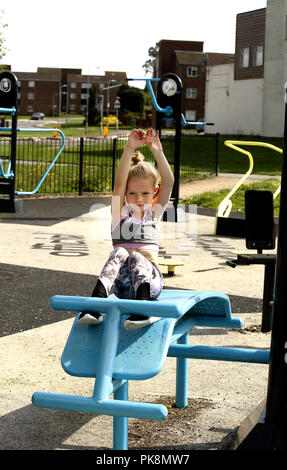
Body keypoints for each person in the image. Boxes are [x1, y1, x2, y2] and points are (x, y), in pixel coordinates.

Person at [78, 128, 174, 330]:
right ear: (125, 195)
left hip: (150, 285)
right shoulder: (119, 215)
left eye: (145, 193)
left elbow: (169, 182)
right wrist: (129, 148)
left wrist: (157, 151)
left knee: (137, 257)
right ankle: (95, 305)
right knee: (120, 251)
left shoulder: (153, 213)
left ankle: (144, 310)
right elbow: (119, 184)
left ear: (154, 191)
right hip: (122, 286)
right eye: (132, 193)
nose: (139, 199)